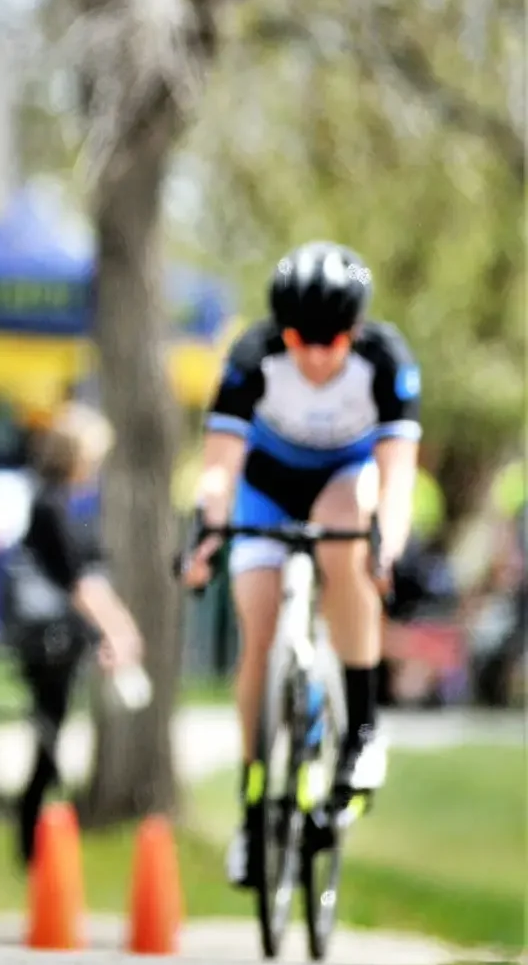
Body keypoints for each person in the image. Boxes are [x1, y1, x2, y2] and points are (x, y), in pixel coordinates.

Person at [182, 242, 421, 888]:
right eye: (299, 339)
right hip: (266, 486)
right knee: (257, 628)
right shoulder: (251, 356)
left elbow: (397, 477)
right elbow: (219, 467)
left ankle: (362, 730)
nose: (315, 356)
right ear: (280, 331)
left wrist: (387, 544)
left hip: (345, 477)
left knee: (346, 542)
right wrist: (207, 531)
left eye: (331, 341)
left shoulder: (385, 361)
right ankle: (252, 808)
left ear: (355, 331)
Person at [4, 402, 143, 868]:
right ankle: (31, 841)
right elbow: (80, 580)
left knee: (52, 731)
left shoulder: (67, 503)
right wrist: (119, 630)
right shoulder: (54, 505)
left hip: (61, 634)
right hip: (48, 638)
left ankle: (35, 837)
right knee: (48, 732)